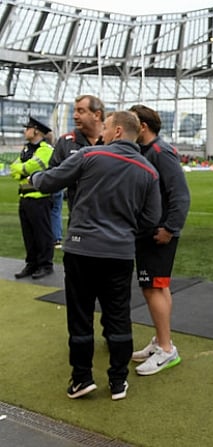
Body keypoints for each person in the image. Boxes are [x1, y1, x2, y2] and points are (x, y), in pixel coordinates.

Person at [30, 111, 161, 401]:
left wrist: (35, 176)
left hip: (81, 249)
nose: (101, 131)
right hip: (120, 253)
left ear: (116, 131)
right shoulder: (149, 171)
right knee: (118, 316)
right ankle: (117, 382)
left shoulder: (90, 156)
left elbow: (49, 181)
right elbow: (152, 219)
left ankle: (82, 378)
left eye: (105, 126)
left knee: (80, 316)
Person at [128, 105, 191, 376]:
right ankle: (161, 341)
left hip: (159, 234)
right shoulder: (146, 151)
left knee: (154, 287)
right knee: (154, 288)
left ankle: (166, 349)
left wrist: (169, 228)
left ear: (143, 126)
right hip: (148, 232)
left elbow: (180, 195)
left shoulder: (160, 152)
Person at [51, 94, 106, 247]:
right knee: (75, 264)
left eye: (81, 111)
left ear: (97, 114)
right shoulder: (66, 141)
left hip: (112, 220)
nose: (75, 116)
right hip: (78, 219)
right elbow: (53, 175)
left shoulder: (114, 140)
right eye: (75, 111)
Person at [11, 116, 55, 280]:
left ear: (36, 130)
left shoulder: (46, 149)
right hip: (25, 197)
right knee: (28, 234)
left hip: (39, 198)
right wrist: (21, 169)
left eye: (27, 128)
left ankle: (45, 264)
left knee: (42, 233)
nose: (25, 131)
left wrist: (21, 169)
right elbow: (14, 168)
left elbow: (30, 167)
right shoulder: (26, 149)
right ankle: (32, 263)